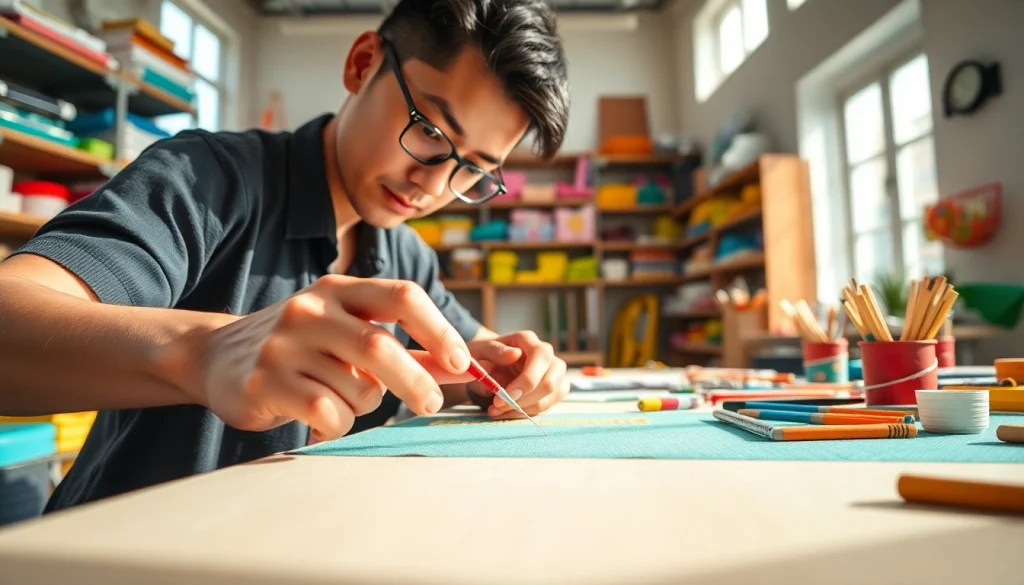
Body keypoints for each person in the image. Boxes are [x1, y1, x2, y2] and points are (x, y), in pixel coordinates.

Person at [0, 0, 571, 512]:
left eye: (471, 168)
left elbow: (462, 363)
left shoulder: (403, 255)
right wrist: (202, 354)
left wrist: (507, 375)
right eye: (430, 132)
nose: (434, 185)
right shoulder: (207, 178)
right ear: (363, 63)